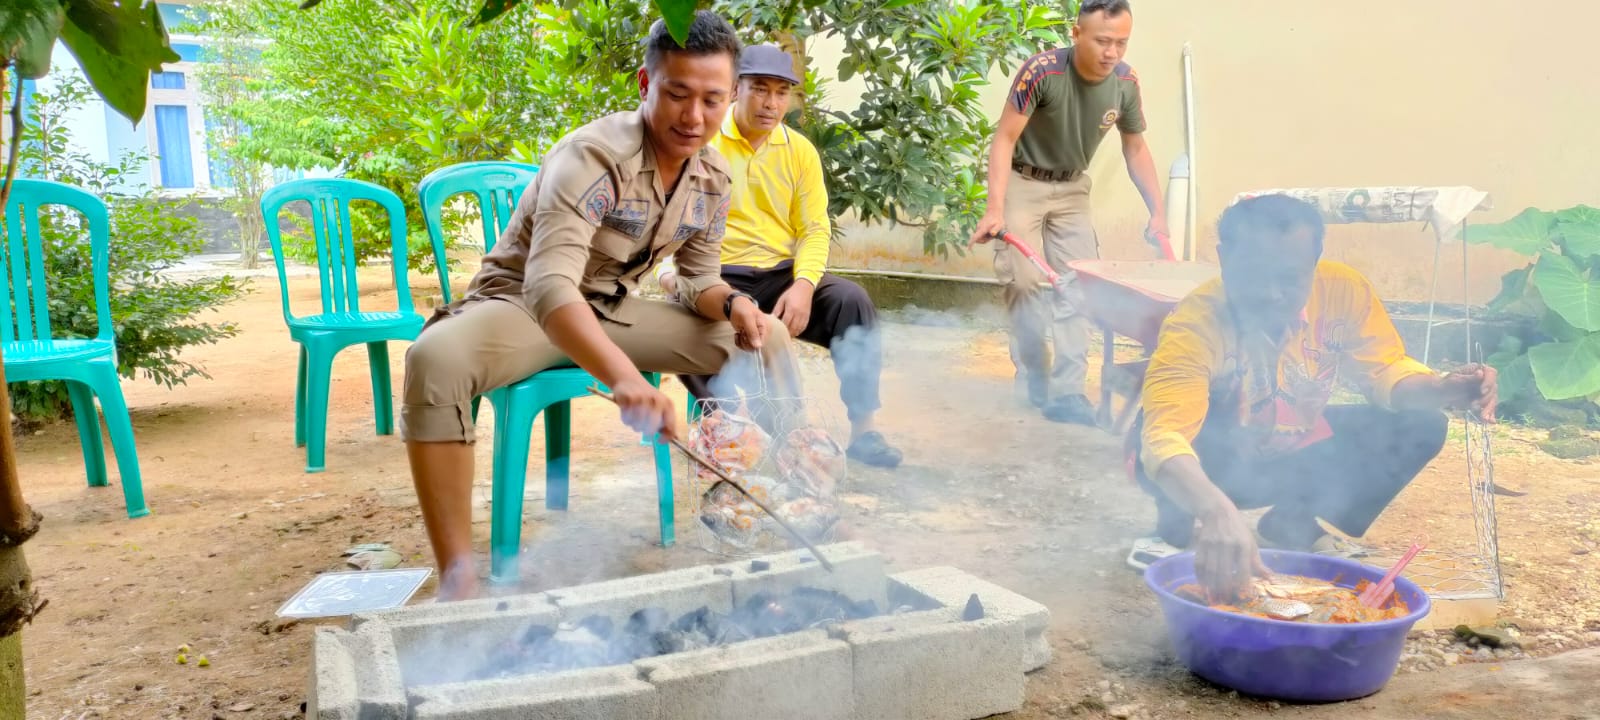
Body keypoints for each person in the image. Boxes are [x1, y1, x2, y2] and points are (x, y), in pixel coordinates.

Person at [399, 11, 798, 601]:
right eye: (678, 94)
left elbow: (697, 279)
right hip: (524, 307)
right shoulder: (591, 156)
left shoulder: (713, 175)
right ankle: (459, 582)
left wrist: (736, 303)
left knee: (769, 338)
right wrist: (624, 377)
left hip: (614, 306)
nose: (695, 117)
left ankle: (794, 494)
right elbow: (551, 288)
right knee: (435, 360)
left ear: (730, 94)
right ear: (645, 84)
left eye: (713, 100)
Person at [1126, 194, 1498, 599]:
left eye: (1289, 278)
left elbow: (1385, 370)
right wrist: (1217, 511)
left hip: (1288, 450)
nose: (1271, 294)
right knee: (1171, 452)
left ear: (1315, 261)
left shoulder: (1343, 291)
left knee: (1422, 423)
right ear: (1224, 257)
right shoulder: (1194, 323)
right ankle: (1177, 523)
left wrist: (1440, 389)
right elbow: (1166, 437)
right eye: (1254, 274)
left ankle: (1293, 521)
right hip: (1214, 466)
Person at [657, 44, 903, 468]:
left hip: (779, 276)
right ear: (736, 88)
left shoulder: (800, 151)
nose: (771, 103)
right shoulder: (704, 141)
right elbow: (668, 219)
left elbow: (813, 228)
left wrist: (805, 286)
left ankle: (865, 431)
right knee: (679, 317)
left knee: (851, 301)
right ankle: (728, 432)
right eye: (760, 89)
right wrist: (668, 273)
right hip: (717, 276)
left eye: (781, 92)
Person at [968, 0, 1167, 425]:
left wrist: (1159, 213)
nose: (1111, 52)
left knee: (1079, 285)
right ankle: (1034, 376)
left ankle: (1069, 391)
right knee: (1022, 281)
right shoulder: (1041, 72)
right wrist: (994, 208)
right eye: (1102, 41)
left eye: (1121, 42)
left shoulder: (1126, 82)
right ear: (1076, 35)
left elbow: (1135, 147)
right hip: (1024, 180)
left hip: (1073, 186)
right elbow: (1004, 139)